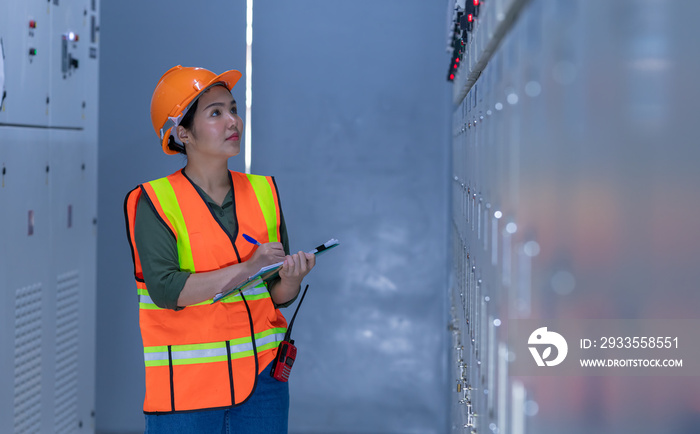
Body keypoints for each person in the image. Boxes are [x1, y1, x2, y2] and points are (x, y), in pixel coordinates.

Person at [124, 65, 315, 433]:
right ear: (183, 132)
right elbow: (166, 290)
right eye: (216, 113)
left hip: (263, 384)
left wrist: (291, 279)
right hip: (187, 392)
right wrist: (247, 266)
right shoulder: (154, 201)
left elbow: (274, 293)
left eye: (233, 109)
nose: (233, 122)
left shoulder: (263, 192)